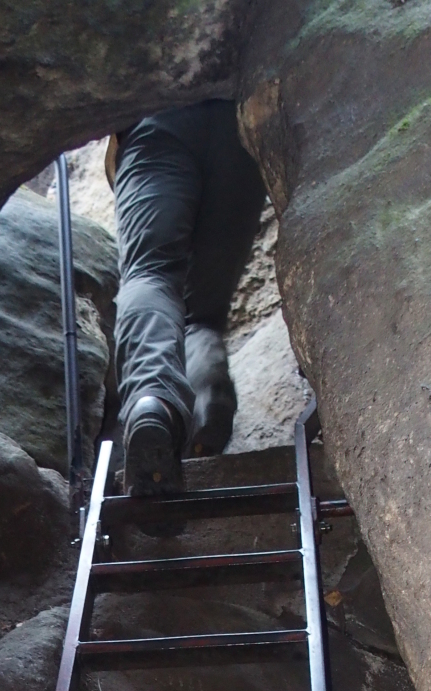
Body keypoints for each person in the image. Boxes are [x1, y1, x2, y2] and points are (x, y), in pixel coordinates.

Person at [107, 100, 267, 497]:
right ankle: (208, 408)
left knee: (151, 273)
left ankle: (152, 403)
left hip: (156, 123)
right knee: (204, 315)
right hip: (242, 130)